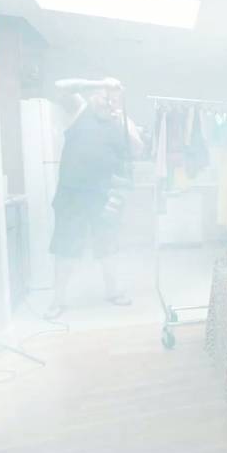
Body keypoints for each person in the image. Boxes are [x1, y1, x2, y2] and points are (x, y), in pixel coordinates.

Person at [45, 77, 143, 320]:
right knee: (66, 248)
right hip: (72, 194)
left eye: (113, 99)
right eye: (103, 96)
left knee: (108, 245)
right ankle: (58, 300)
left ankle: (113, 291)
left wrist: (121, 120)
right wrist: (98, 82)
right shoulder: (79, 108)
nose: (107, 102)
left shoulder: (123, 120)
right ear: (92, 95)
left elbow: (138, 150)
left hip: (105, 195)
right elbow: (59, 87)